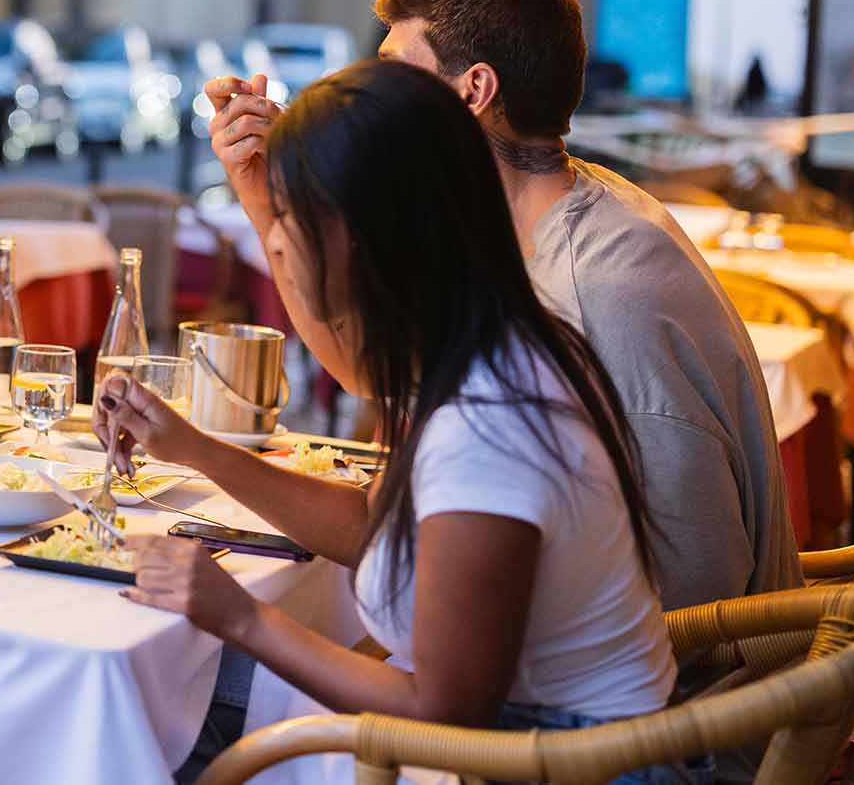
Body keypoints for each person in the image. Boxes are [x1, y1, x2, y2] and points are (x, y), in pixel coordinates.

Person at [102, 60, 699, 784]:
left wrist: (242, 616)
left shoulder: (489, 422)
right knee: (173, 691)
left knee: (148, 721)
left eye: (289, 215)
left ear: (366, 234)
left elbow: (446, 715)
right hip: (540, 737)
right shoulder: (482, 346)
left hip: (563, 762)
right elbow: (377, 526)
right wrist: (193, 447)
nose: (277, 241)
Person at [208, 0, 797, 615]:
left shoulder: (597, 294)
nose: (372, 93)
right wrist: (262, 194)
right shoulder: (512, 224)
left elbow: (692, 599)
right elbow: (368, 374)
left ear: (473, 91)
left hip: (663, 708)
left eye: (393, 70)